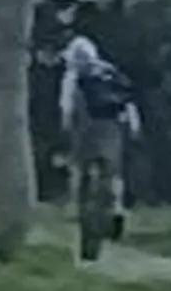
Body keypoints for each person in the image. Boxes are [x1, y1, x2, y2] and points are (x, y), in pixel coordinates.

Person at [58, 26, 140, 238]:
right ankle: (117, 207)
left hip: (86, 128)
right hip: (112, 127)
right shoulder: (110, 71)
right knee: (113, 172)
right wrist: (133, 126)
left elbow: (66, 108)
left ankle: (79, 207)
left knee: (80, 168)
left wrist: (65, 130)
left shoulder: (73, 77)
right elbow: (128, 99)